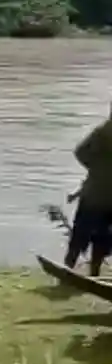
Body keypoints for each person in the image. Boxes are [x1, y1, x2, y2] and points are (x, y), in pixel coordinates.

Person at [70, 104, 112, 276]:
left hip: (97, 195)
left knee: (89, 237)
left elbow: (81, 153)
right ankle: (84, 272)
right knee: (89, 237)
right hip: (95, 196)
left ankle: (88, 274)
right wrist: (98, 169)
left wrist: (96, 169)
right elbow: (80, 153)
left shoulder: (101, 132)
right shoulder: (102, 133)